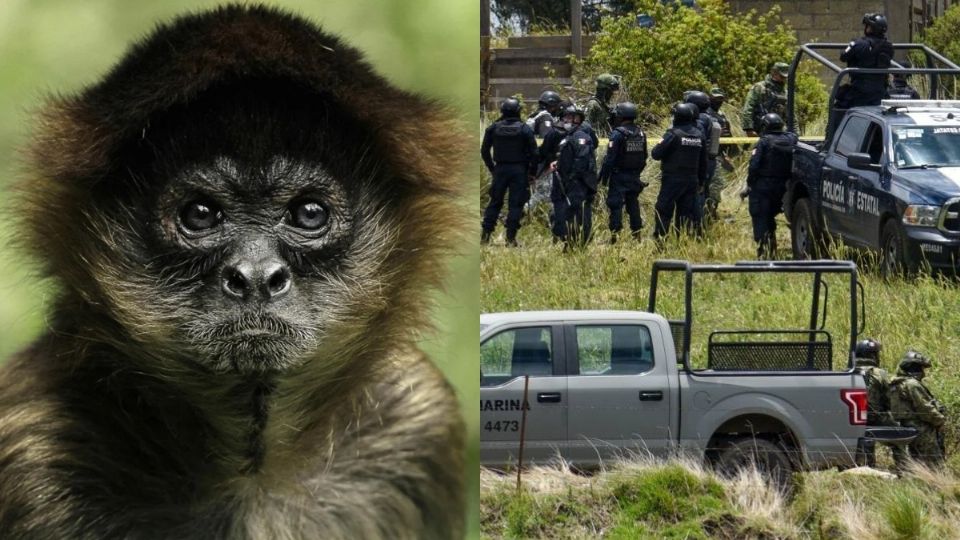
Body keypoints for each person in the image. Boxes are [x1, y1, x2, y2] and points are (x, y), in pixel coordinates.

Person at [481, 97, 538, 246]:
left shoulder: (494, 128)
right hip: (519, 171)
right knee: (516, 205)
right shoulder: (524, 129)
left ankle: (485, 236)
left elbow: (484, 150)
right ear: (518, 111)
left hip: (500, 169)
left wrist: (492, 168)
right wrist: (532, 172)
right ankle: (510, 239)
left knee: (494, 202)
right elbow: (534, 154)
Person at [651, 102, 706, 240]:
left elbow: (656, 154)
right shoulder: (699, 135)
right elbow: (703, 162)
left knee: (663, 209)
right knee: (685, 213)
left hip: (672, 179)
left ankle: (660, 240)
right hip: (692, 180)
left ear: (676, 117)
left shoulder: (673, 134)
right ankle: (682, 241)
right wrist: (701, 181)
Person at [746, 113, 797, 259]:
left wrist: (750, 184)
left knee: (760, 215)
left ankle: (765, 251)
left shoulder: (764, 141)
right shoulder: (791, 138)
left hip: (763, 186)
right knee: (770, 215)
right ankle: (772, 243)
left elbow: (754, 166)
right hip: (785, 187)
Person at [599, 102, 648, 244]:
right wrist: (637, 173)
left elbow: (610, 159)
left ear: (620, 116)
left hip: (619, 176)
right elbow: (644, 156)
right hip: (634, 176)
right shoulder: (640, 133)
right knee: (633, 205)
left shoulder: (618, 134)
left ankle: (614, 237)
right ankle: (637, 236)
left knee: (615, 206)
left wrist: (604, 178)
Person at [889, 351, 947, 469]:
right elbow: (925, 408)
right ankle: (938, 484)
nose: (923, 373)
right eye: (921, 368)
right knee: (935, 463)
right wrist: (940, 421)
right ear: (914, 368)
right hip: (922, 428)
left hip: (907, 427)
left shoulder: (897, 383)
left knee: (918, 461)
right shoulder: (912, 384)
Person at [853, 338, 903, 468]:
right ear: (872, 355)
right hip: (875, 418)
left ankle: (867, 467)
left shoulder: (848, 371)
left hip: (852, 419)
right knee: (901, 438)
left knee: (864, 443)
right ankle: (904, 470)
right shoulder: (879, 373)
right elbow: (890, 398)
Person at [555, 104, 599, 248]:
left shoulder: (581, 136)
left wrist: (573, 177)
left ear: (578, 119)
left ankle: (580, 243)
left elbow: (582, 159)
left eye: (570, 116)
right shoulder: (569, 136)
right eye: (566, 116)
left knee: (578, 212)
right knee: (571, 211)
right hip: (571, 181)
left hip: (580, 182)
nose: (566, 120)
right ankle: (570, 241)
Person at [838, 13, 894, 108]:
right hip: (879, 93)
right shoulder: (889, 47)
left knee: (838, 103)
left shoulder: (859, 43)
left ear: (871, 28)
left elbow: (843, 56)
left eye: (867, 25)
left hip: (859, 93)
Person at [684, 90, 720, 226]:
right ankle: (703, 222)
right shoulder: (713, 118)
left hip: (700, 161)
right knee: (703, 191)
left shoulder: (701, 120)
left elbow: (697, 140)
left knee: (696, 194)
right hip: (710, 161)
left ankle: (696, 225)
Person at [705, 87, 733, 220]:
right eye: (716, 99)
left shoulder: (722, 116)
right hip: (708, 154)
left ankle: (711, 210)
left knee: (718, 184)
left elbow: (728, 136)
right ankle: (708, 212)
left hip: (719, 153)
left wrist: (726, 154)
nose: (718, 101)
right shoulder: (705, 115)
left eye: (721, 99)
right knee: (713, 185)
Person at [741, 63, 789, 136]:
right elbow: (748, 108)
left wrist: (795, 132)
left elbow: (791, 114)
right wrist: (749, 129)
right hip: (759, 130)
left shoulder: (785, 92)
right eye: (782, 76)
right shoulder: (759, 87)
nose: (784, 79)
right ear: (774, 73)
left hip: (779, 131)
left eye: (785, 77)